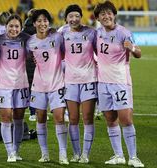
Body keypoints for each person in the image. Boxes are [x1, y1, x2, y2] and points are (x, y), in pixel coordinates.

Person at [94, 1, 144, 167]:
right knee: (110, 119)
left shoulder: (124, 32)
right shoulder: (97, 33)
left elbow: (138, 53)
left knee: (126, 119)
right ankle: (118, 155)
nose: (106, 16)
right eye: (102, 14)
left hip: (120, 82)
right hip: (102, 83)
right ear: (98, 18)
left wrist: (132, 48)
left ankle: (133, 157)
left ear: (114, 14)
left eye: (108, 13)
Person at [27, 9, 68, 165]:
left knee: (59, 118)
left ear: (48, 23)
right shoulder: (30, 41)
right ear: (34, 23)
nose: (42, 23)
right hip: (38, 85)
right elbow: (29, 58)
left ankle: (62, 154)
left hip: (57, 83)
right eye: (39, 20)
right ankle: (45, 154)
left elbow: (66, 54)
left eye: (45, 20)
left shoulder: (57, 37)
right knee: (41, 119)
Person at [59, 4, 97, 164]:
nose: (74, 19)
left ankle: (85, 155)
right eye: (70, 16)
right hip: (70, 81)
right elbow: (57, 54)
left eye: (77, 16)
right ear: (66, 18)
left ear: (81, 17)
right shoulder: (61, 33)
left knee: (88, 118)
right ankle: (76, 153)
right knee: (73, 118)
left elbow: (100, 52)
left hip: (88, 79)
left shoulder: (91, 32)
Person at [0, 14, 30, 162]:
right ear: (6, 26)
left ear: (20, 28)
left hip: (21, 83)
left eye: (17, 26)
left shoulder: (26, 39)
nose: (14, 29)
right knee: (6, 117)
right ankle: (10, 153)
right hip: (3, 84)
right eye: (11, 26)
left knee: (19, 118)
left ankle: (16, 150)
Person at [22, 8, 38, 122]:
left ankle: (30, 112)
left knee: (28, 87)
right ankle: (35, 112)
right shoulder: (39, 29)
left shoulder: (23, 30)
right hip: (37, 61)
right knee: (38, 88)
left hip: (25, 62)